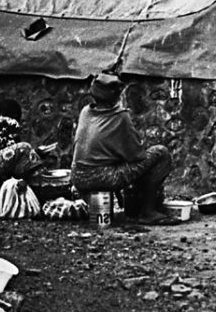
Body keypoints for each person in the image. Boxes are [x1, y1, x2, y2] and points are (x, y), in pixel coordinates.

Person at [71, 74, 176, 225]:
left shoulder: (85, 112)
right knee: (161, 153)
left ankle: (131, 206)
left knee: (129, 163)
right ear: (116, 96)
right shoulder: (120, 116)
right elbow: (136, 156)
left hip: (77, 175)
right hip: (100, 176)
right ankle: (148, 211)